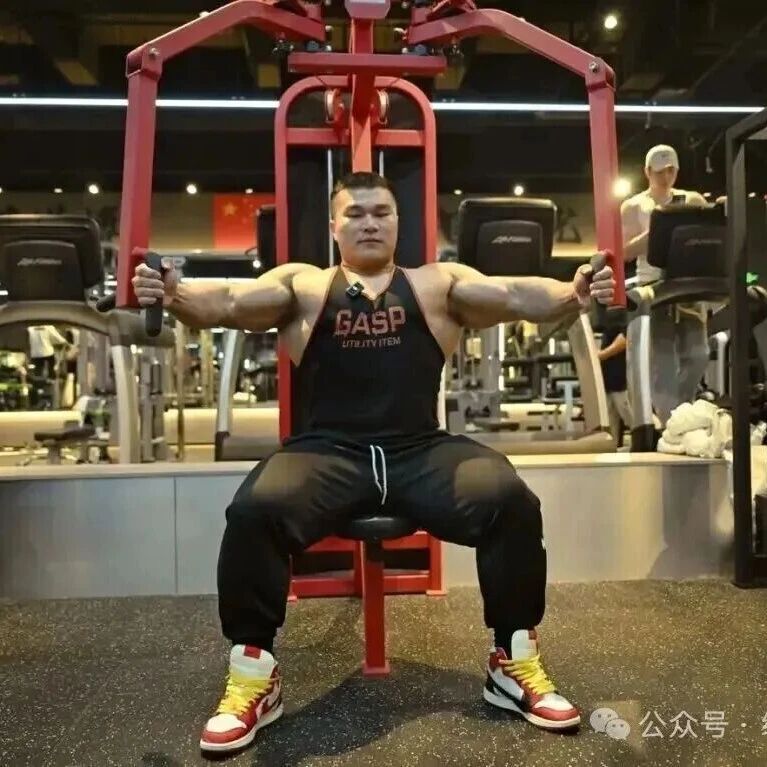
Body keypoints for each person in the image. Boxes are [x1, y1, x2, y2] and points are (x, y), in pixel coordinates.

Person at [132, 172, 616, 753]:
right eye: (355, 213)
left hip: (420, 450)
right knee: (255, 511)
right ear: (334, 226)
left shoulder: (436, 285)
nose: (369, 222)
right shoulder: (304, 286)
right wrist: (175, 295)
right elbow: (231, 302)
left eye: (381, 212)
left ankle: (512, 660)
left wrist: (573, 292)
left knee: (509, 500)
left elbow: (514, 296)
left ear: (397, 222)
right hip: (328, 451)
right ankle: (254, 671)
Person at [620, 144, 709, 425]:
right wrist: (658, 232)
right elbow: (624, 251)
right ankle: (672, 422)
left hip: (686, 282)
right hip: (653, 285)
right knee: (663, 363)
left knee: (699, 355)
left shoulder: (691, 199)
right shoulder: (634, 206)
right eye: (659, 172)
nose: (666, 177)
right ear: (647, 172)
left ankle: (681, 416)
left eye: (671, 170)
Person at [597, 324, 632, 446]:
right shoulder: (607, 319)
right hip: (608, 380)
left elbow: (626, 337)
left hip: (622, 381)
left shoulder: (625, 316)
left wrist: (602, 354)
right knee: (610, 427)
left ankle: (648, 449)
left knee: (636, 422)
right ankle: (612, 451)